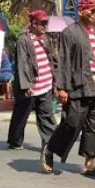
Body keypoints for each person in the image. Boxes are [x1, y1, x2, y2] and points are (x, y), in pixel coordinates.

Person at [42, 0, 95, 178]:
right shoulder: (70, 33)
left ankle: (90, 164)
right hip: (78, 85)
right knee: (71, 123)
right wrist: (62, 87)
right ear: (81, 11)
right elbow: (63, 61)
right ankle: (50, 150)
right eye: (92, 10)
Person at [7, 10, 58, 150]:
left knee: (46, 114)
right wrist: (26, 85)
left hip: (46, 82)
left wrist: (56, 79)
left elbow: (52, 58)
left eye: (46, 23)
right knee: (21, 114)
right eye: (42, 23)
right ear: (33, 23)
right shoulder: (23, 39)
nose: (45, 26)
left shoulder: (46, 38)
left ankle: (49, 143)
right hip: (31, 85)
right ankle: (15, 140)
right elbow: (22, 63)